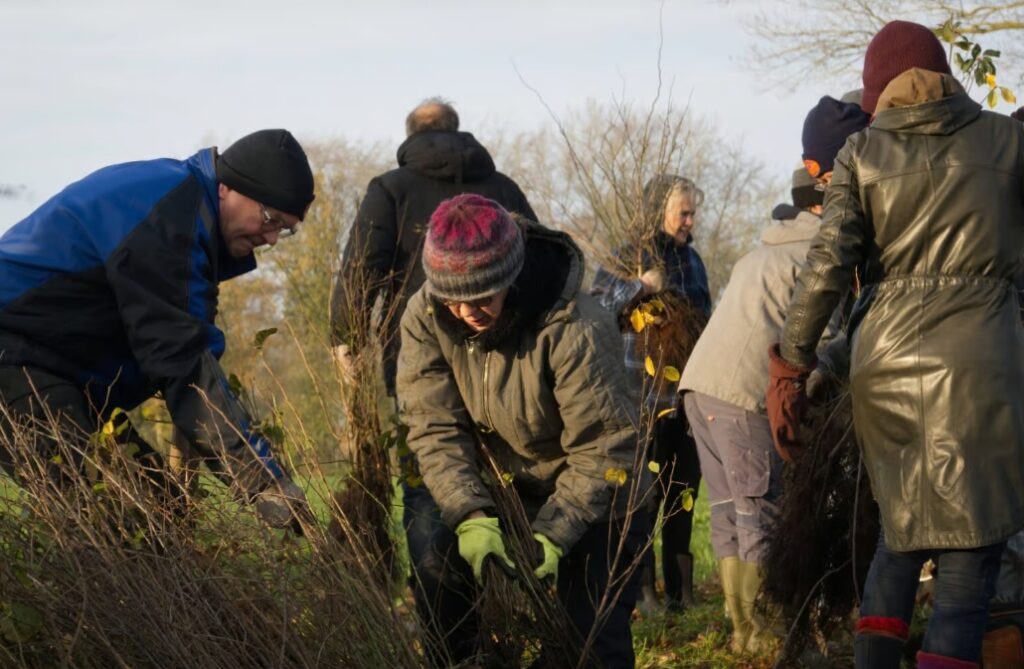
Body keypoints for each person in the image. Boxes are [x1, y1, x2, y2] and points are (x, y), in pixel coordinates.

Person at [767, 20, 1024, 669]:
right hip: (984, 369)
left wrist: (790, 367)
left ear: (878, 92)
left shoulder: (861, 156)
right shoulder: (1007, 141)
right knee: (969, 564)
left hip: (887, 373)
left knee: (899, 539)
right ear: (946, 73)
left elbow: (826, 268)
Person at [0, 129, 314, 528]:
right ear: (228, 189)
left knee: (163, 514)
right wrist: (262, 481)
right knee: (124, 519)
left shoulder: (188, 216)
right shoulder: (168, 216)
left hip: (54, 369)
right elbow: (183, 362)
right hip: (13, 357)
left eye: (285, 229)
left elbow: (186, 360)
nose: (271, 238)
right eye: (270, 218)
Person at [397, 194, 647, 668]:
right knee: (437, 573)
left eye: (482, 297)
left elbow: (605, 447)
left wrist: (553, 533)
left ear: (510, 278)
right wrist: (469, 511)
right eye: (454, 299)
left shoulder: (576, 325)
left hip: (597, 499)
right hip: (502, 487)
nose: (466, 311)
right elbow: (433, 425)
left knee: (590, 647)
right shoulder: (426, 315)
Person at [328, 97, 537, 663]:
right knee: (513, 490)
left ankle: (449, 647)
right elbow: (537, 266)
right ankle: (517, 626)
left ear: (410, 136)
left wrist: (348, 342)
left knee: (429, 495)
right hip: (510, 372)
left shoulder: (389, 189)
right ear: (458, 132)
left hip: (420, 368)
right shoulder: (503, 187)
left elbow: (359, 271)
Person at [679, 96, 868, 653]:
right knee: (760, 514)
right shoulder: (818, 253)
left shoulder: (765, 248)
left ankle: (744, 634)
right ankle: (771, 635)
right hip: (741, 395)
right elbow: (825, 334)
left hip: (699, 388)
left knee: (729, 519)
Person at [591, 175, 711, 614]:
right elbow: (597, 310)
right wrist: (640, 286)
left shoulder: (694, 261)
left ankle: (683, 593)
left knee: (684, 492)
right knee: (644, 496)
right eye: (683, 211)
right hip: (642, 400)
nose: (690, 220)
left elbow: (706, 319)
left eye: (692, 211)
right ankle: (644, 592)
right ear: (658, 211)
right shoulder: (627, 256)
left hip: (686, 398)